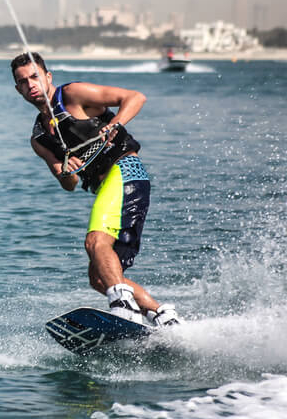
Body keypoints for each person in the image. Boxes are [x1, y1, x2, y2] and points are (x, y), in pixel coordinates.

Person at [11, 52, 181, 327]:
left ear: (47, 77)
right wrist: (66, 171)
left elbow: (135, 97)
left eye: (35, 76)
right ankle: (162, 316)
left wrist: (116, 124)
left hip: (125, 170)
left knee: (95, 242)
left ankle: (123, 307)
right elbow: (69, 184)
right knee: (98, 278)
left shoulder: (72, 95)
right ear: (18, 90)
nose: (31, 84)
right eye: (23, 81)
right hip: (108, 186)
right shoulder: (39, 138)